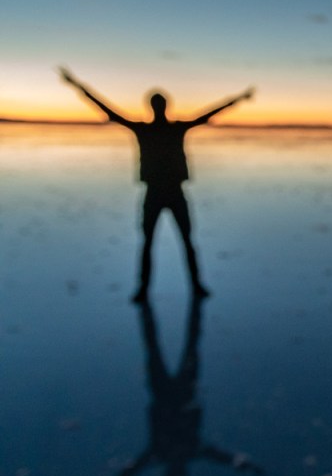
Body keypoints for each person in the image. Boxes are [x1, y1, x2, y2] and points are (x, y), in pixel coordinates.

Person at [59, 67, 254, 301]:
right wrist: (77, 86)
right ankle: (147, 289)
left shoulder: (167, 128)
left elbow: (210, 113)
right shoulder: (150, 129)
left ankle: (194, 286)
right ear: (156, 106)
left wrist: (237, 99)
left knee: (182, 241)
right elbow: (106, 108)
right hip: (157, 193)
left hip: (172, 192)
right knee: (152, 242)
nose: (159, 107)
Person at [87, 298, 265, 476]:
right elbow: (224, 458)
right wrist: (249, 467)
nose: (177, 467)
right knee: (176, 346)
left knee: (169, 346)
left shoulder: (164, 453)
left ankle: (159, 303)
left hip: (165, 394)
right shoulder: (186, 451)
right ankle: (176, 301)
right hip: (179, 394)